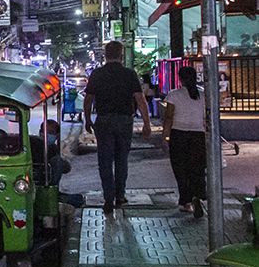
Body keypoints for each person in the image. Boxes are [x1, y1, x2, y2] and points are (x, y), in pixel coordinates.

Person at [83, 41, 152, 215]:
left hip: (104, 120)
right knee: (122, 159)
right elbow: (140, 99)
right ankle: (120, 196)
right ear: (121, 55)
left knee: (105, 161)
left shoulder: (97, 74)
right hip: (124, 121)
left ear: (105, 55)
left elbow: (88, 99)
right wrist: (146, 123)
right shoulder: (129, 74)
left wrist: (87, 119)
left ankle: (108, 197)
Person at [162, 64, 208, 218]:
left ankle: (186, 201)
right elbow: (205, 118)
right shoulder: (203, 95)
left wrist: (165, 137)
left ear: (180, 79)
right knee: (197, 168)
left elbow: (169, 117)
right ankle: (198, 195)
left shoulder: (174, 95)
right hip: (198, 136)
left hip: (179, 135)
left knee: (181, 169)